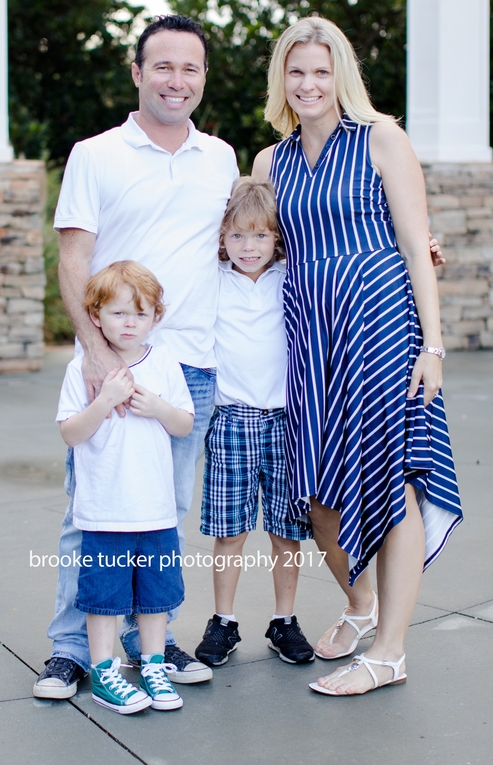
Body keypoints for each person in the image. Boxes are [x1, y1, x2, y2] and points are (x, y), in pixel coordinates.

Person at [253, 16, 462, 697]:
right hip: (309, 340)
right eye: (297, 71)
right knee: (318, 498)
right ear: (281, 78)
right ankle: (361, 605)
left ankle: (391, 652)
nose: (309, 84)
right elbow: (247, 245)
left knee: (393, 484)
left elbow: (414, 242)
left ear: (340, 76)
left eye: (321, 71)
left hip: (381, 332)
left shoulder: (380, 139)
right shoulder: (269, 162)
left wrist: (432, 345)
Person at [33, 15, 238, 700]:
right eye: (163, 67)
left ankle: (149, 643)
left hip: (191, 370)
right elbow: (73, 257)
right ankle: (69, 651)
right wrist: (94, 353)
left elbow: (249, 244)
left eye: (191, 69)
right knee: (92, 512)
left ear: (203, 79)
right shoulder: (96, 154)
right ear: (137, 72)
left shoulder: (221, 158)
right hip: (118, 364)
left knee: (161, 511)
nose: (176, 80)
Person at [57, 261, 195, 713]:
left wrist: (157, 407)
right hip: (104, 511)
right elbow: (71, 433)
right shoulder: (83, 368)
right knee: (105, 597)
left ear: (156, 316)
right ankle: (103, 672)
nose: (130, 323)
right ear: (96, 317)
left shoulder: (166, 365)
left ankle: (153, 665)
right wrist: (105, 401)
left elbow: (184, 424)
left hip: (154, 510)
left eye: (141, 313)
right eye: (118, 314)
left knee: (156, 596)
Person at [195, 178, 314, 669]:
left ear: (277, 239)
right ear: (222, 237)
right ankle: (223, 621)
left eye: (261, 236)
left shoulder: (292, 276)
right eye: (239, 236)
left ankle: (283, 621)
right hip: (231, 420)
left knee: (287, 530)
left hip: (286, 420)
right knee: (231, 531)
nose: (249, 247)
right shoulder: (210, 279)